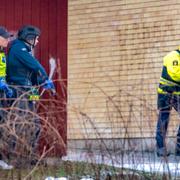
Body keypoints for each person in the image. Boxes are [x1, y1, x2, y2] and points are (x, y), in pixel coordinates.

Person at [6, 25, 54, 166]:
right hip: (19, 90)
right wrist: (45, 77)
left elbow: (31, 74)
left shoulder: (25, 50)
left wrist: (40, 82)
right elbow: (36, 66)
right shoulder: (18, 48)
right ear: (29, 38)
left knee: (34, 124)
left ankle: (30, 156)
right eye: (36, 38)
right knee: (21, 123)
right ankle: (14, 157)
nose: (38, 41)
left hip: (27, 90)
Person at [156, 48, 180, 157]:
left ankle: (179, 147)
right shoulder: (173, 56)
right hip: (165, 94)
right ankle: (160, 148)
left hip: (177, 93)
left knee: (164, 118)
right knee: (163, 119)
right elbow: (175, 74)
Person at [0, 26, 13, 169]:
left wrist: (4, 83)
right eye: (5, 37)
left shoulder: (2, 52)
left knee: (2, 125)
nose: (8, 40)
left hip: (1, 92)